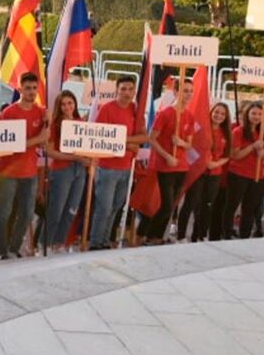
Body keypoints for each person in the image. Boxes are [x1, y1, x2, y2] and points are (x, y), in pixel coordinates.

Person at [0, 73, 48, 259]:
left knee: (26, 214)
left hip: (30, 172)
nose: (32, 92)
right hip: (8, 171)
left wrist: (45, 127)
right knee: (4, 213)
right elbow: (8, 144)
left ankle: (14, 247)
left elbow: (45, 141)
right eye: (28, 88)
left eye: (34, 88)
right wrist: (37, 139)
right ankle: (2, 251)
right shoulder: (9, 113)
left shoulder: (41, 113)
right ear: (20, 89)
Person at [89, 76, 148, 250]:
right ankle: (95, 242)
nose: (127, 93)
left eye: (130, 89)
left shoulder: (136, 110)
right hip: (107, 168)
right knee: (104, 207)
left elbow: (144, 136)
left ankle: (106, 240)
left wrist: (122, 139)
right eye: (123, 89)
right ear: (117, 90)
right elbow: (102, 136)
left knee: (115, 207)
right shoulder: (107, 109)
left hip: (126, 168)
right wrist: (130, 143)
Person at [141, 79, 196, 245]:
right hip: (166, 166)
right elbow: (151, 138)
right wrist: (167, 156)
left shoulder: (189, 116)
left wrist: (181, 143)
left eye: (190, 91)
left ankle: (158, 237)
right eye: (185, 90)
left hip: (182, 166)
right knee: (166, 204)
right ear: (175, 92)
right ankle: (149, 235)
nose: (188, 94)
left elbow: (189, 144)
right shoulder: (165, 113)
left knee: (171, 205)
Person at [176, 103, 231, 242]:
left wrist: (215, 164)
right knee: (190, 203)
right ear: (211, 112)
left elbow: (228, 155)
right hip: (198, 172)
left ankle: (199, 235)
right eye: (216, 112)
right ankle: (181, 235)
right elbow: (191, 146)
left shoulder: (226, 133)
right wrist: (201, 162)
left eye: (222, 114)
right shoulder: (200, 128)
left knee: (207, 205)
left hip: (214, 174)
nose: (219, 116)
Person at [44, 90, 89, 253]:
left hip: (80, 171)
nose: (67, 107)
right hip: (62, 170)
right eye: (63, 104)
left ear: (75, 104)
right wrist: (74, 158)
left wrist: (88, 158)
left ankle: (59, 243)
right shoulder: (56, 124)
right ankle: (45, 244)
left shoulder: (81, 124)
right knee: (56, 209)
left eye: (70, 103)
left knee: (72, 209)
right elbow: (49, 152)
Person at [223, 102, 264, 239]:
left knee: (249, 209)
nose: (256, 117)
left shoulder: (263, 132)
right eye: (253, 113)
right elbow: (234, 155)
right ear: (247, 114)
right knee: (231, 206)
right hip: (238, 174)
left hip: (256, 176)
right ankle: (226, 234)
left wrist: (262, 152)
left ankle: (244, 236)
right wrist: (252, 147)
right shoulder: (238, 132)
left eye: (260, 114)